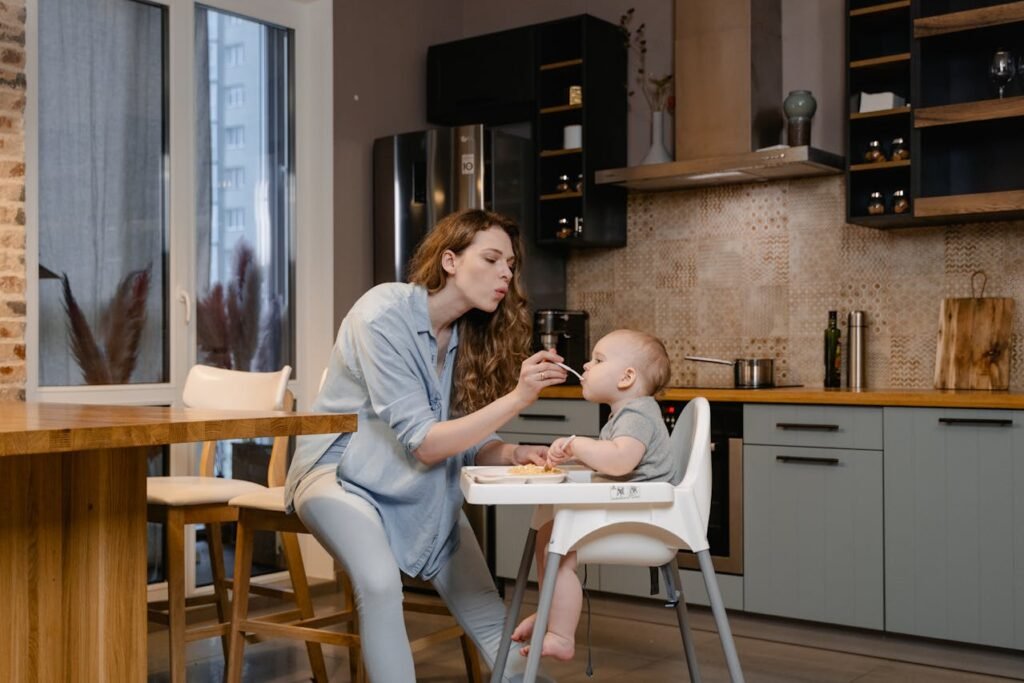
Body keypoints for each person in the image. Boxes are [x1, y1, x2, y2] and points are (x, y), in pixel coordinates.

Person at [284, 208, 567, 682]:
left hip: (418, 483)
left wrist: (513, 453)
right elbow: (427, 445)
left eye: (511, 265)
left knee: (487, 611)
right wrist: (519, 397)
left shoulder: (467, 336)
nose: (505, 274)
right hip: (337, 474)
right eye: (493, 259)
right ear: (450, 260)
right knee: (378, 583)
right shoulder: (382, 314)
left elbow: (466, 436)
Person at [511, 328, 678, 661]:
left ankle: (560, 634)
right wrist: (576, 454)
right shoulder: (625, 415)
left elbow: (619, 461)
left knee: (558, 544)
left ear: (627, 377)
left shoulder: (637, 414)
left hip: (643, 519)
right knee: (549, 534)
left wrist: (578, 444)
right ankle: (551, 613)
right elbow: (614, 455)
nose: (586, 366)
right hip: (631, 510)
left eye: (598, 360)